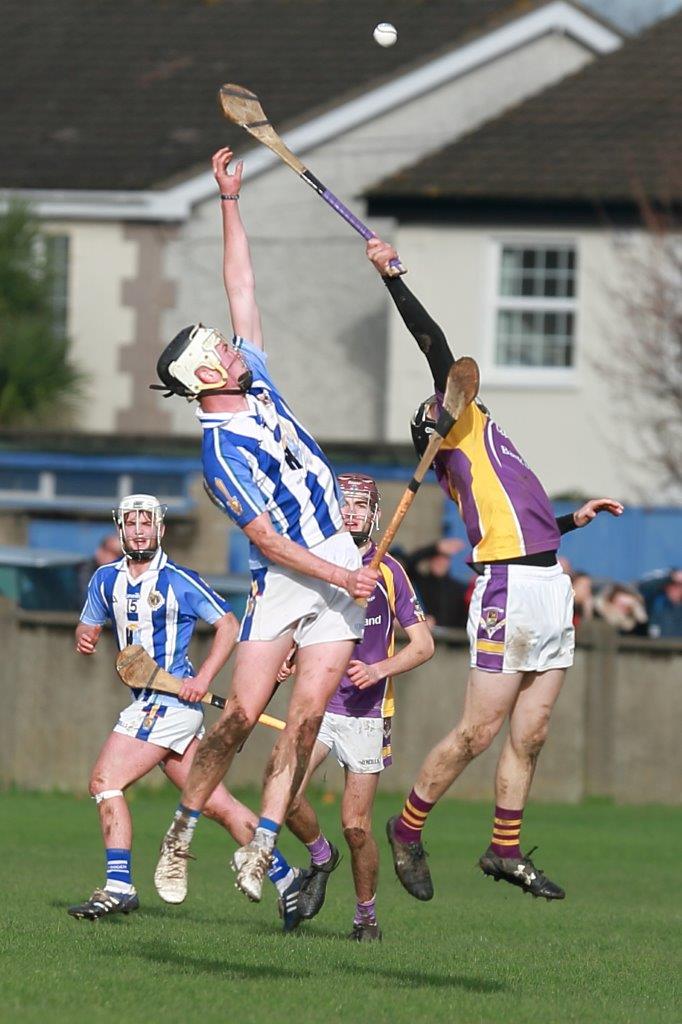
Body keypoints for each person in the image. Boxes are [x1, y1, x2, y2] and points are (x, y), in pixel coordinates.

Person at [151, 148, 378, 908]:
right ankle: (182, 832)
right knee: (242, 715)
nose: (229, 345)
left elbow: (241, 284)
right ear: (203, 378)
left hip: (338, 562)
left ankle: (263, 846)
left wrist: (229, 201)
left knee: (307, 718)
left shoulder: (256, 376)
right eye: (215, 349)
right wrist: (342, 576)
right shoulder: (220, 454)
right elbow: (271, 544)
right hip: (288, 577)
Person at [366, 236, 623, 903]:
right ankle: (407, 827)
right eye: (432, 408)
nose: (442, 399)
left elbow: (523, 523)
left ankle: (503, 849)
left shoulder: (475, 422)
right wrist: (394, 280)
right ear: (431, 433)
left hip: (549, 581)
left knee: (531, 734)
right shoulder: (451, 442)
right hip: (507, 589)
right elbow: (435, 346)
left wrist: (573, 520)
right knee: (478, 733)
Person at [68, 493, 304, 930]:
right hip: (149, 703)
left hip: (171, 705)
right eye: (131, 524)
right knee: (217, 805)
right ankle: (289, 878)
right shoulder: (105, 579)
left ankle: (119, 886)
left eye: (147, 523)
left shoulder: (178, 579)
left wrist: (203, 679)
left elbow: (228, 626)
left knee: (105, 780)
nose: (139, 531)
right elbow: (89, 620)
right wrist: (85, 635)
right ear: (121, 529)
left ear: (160, 529)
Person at [284, 473, 434, 942]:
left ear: (374, 516)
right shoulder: (317, 566)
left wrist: (380, 669)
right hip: (320, 704)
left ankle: (365, 916)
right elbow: (295, 625)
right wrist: (288, 654)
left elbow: (424, 645)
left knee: (356, 827)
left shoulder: (390, 571)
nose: (349, 513)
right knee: (284, 797)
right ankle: (320, 857)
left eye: (358, 506)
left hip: (368, 714)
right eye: (342, 505)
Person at [402, 536, 469, 628]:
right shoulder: (420, 582)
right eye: (436, 558)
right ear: (429, 561)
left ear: (449, 562)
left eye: (444, 558)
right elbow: (408, 563)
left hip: (452, 639)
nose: (440, 562)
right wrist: (435, 547)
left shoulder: (460, 588)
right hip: (426, 636)